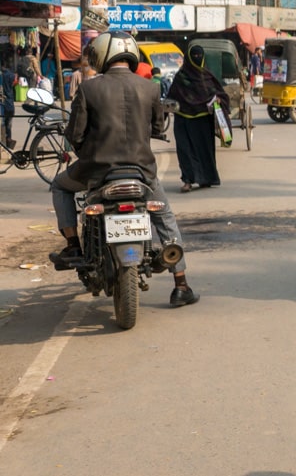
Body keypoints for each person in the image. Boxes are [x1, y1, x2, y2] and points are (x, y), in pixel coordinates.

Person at [46, 33, 197, 306]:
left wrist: (87, 151)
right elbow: (157, 129)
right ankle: (181, 284)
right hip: (143, 172)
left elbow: (75, 134)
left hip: (97, 170)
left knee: (59, 186)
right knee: (165, 219)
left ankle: (72, 245)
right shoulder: (149, 87)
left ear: (103, 56)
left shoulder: (90, 88)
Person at [167, 43, 225, 193]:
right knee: (185, 151)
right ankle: (187, 180)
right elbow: (171, 96)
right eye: (194, 56)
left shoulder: (207, 76)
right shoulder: (182, 77)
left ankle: (206, 178)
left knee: (204, 150)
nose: (197, 58)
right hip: (184, 119)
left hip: (203, 120)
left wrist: (218, 100)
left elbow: (221, 94)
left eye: (200, 56)